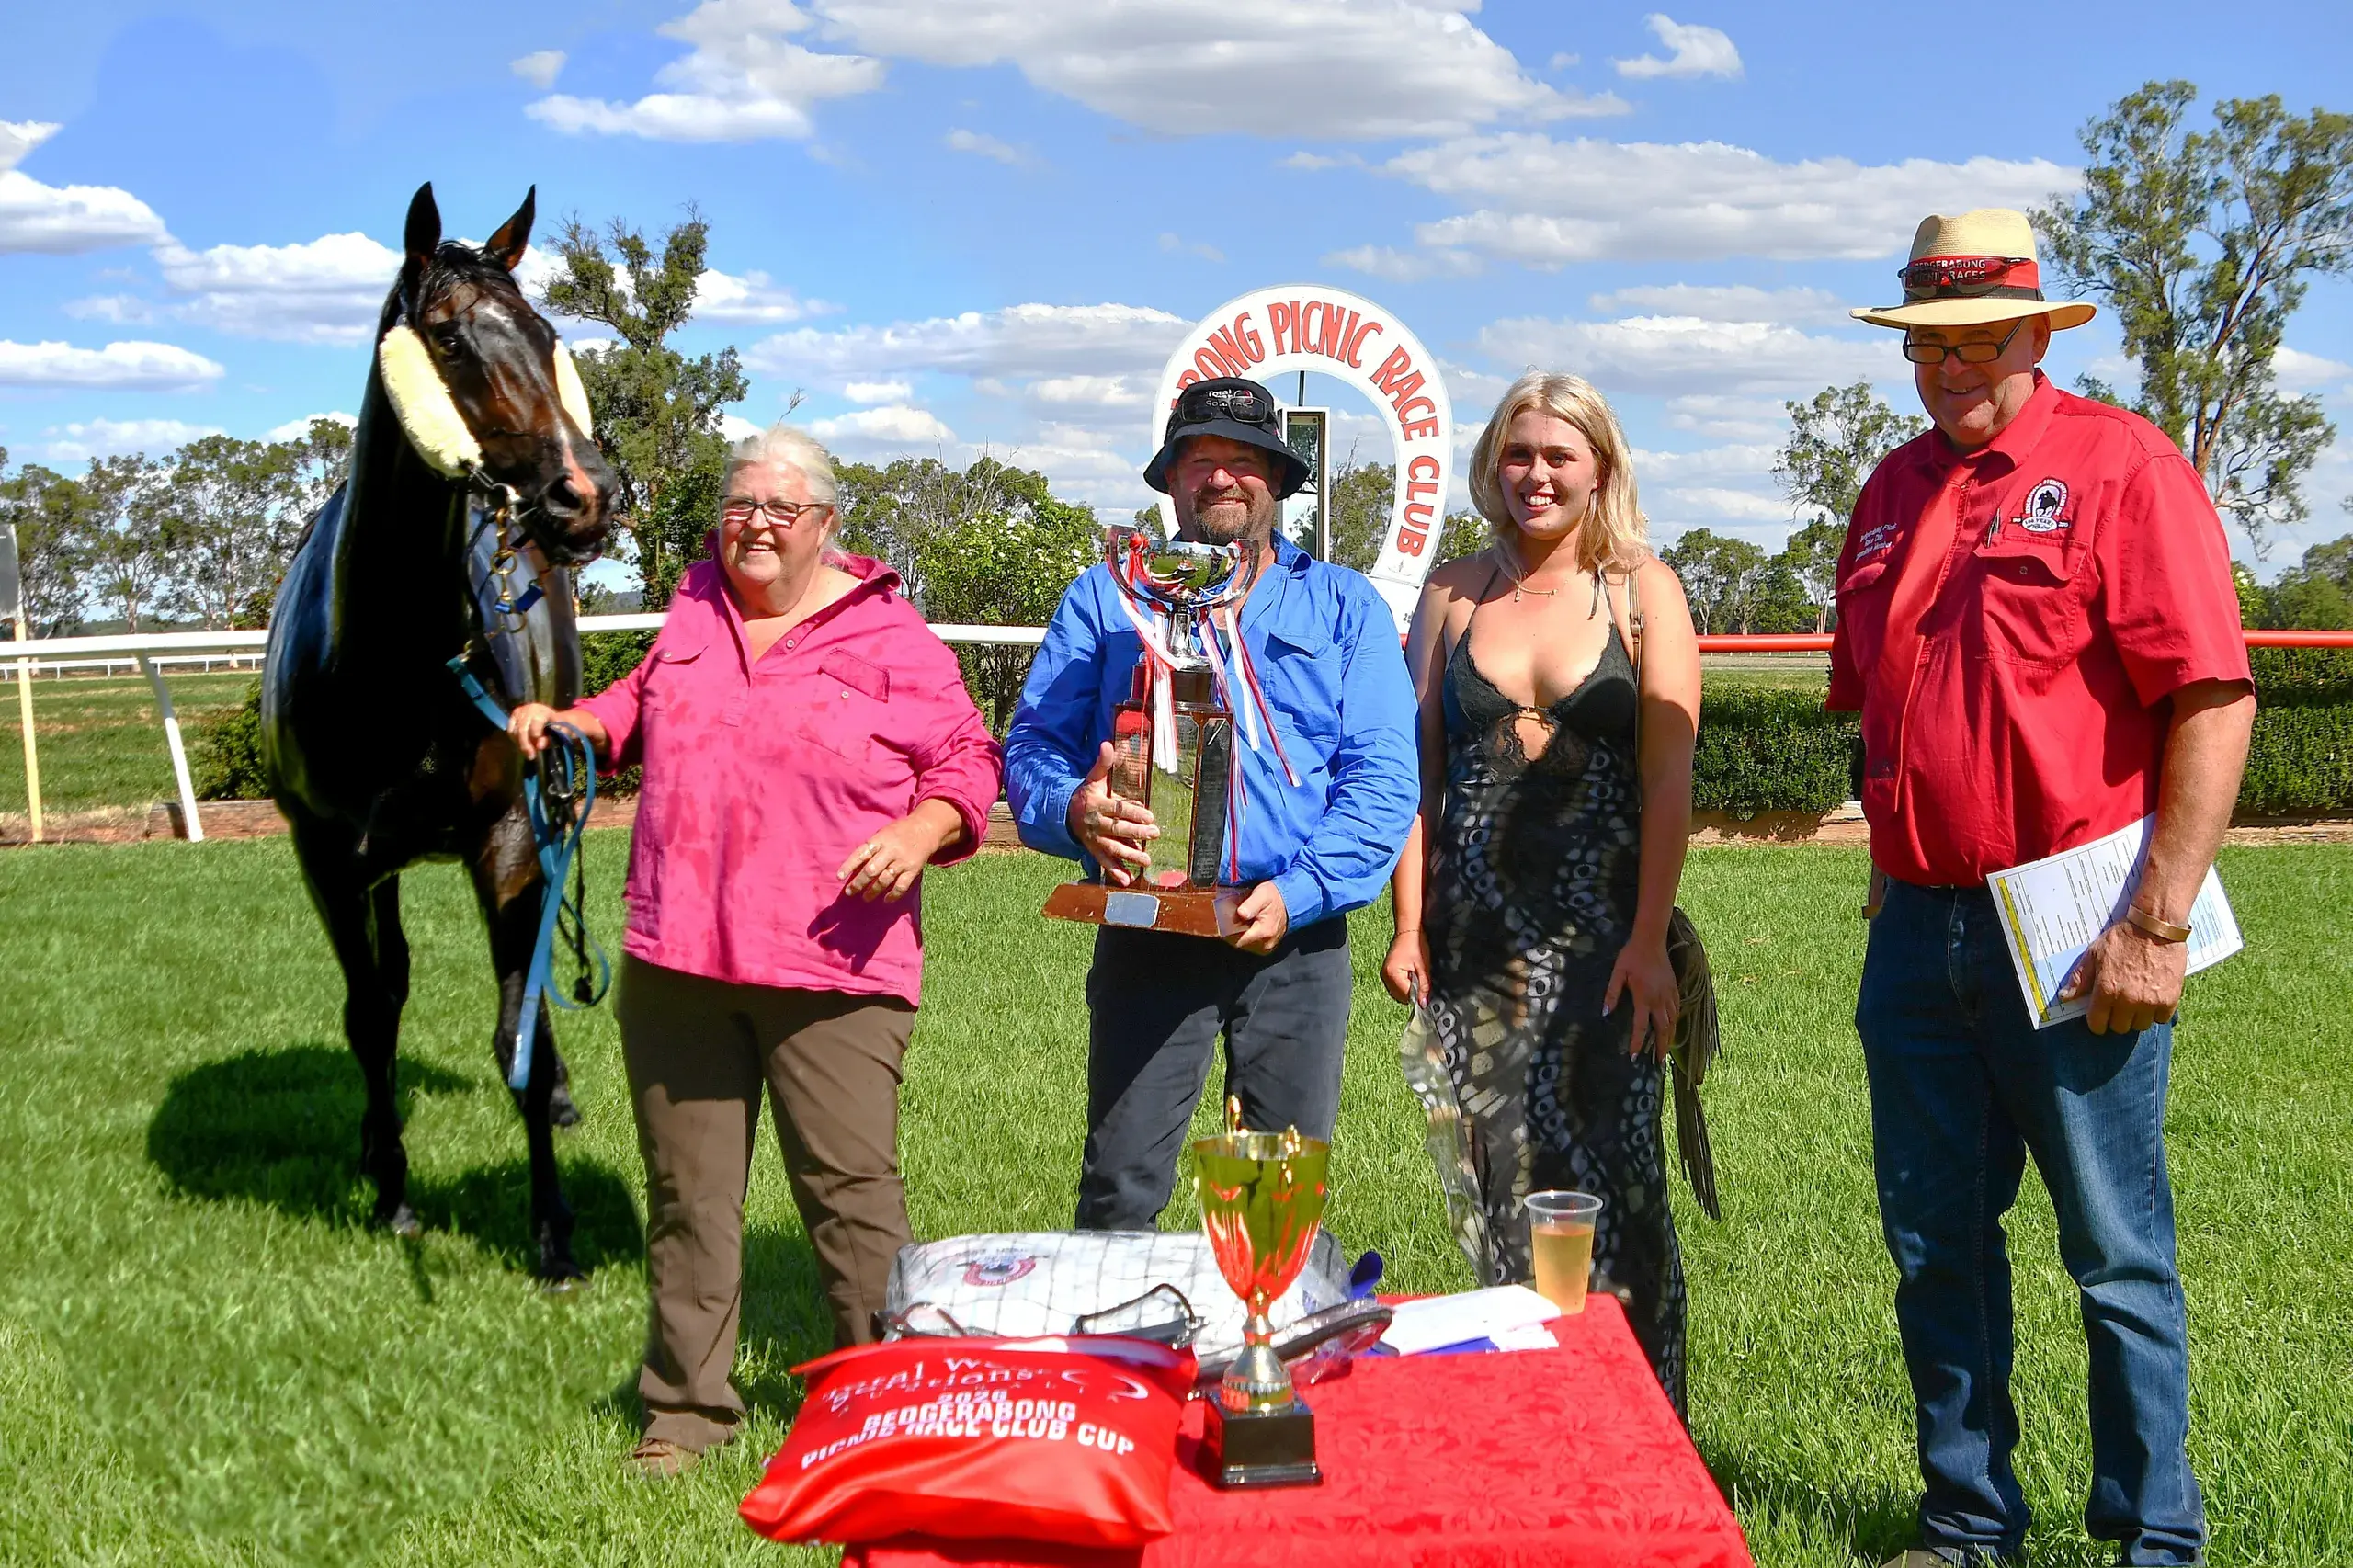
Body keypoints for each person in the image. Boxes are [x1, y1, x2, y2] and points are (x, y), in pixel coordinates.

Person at [1832, 210, 2255, 1568]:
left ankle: (2154, 1539)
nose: (1950, 366)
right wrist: (1895, 876)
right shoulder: (1889, 493)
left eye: (1975, 340)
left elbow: (2210, 697)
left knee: (2116, 1255)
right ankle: (1968, 1528)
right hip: (1921, 926)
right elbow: (1876, 703)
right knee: (1936, 1246)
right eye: (1926, 344)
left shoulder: (2122, 465)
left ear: (2034, 332)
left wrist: (2159, 916)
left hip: (2078, 920)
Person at [508, 424, 1002, 1476]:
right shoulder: (694, 607)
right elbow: (638, 701)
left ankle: (884, 1407)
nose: (757, 525)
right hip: (680, 957)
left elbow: (968, 760)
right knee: (688, 1198)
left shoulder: (892, 633)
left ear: (826, 523)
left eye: (782, 507)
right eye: (741, 505)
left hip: (834, 968)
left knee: (851, 1199)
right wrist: (577, 723)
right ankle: (685, 1413)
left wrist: (920, 832)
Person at [1005, 376, 1418, 1230]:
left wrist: (1301, 893)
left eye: (1243, 461)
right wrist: (1075, 812)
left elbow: (1383, 779)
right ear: (1171, 481)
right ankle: (1133, 1364)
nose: (1222, 479)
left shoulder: (1344, 606)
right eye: (1200, 461)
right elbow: (1032, 748)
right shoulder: (1104, 598)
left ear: (1279, 479)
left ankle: (1259, 1362)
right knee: (1120, 1190)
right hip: (1146, 923)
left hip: (1294, 936)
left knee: (1275, 1206)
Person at [1380, 371, 1701, 1411]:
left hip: (1607, 942)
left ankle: (1645, 1438)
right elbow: (1412, 776)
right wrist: (1407, 925)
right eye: (1518, 453)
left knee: (1621, 1192)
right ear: (1492, 463)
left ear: (1599, 467)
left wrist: (1650, 940)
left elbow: (1666, 777)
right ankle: (1531, 1430)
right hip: (1473, 945)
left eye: (1559, 455)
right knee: (1496, 1193)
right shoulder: (1451, 591)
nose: (1536, 474)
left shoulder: (1641, 589)